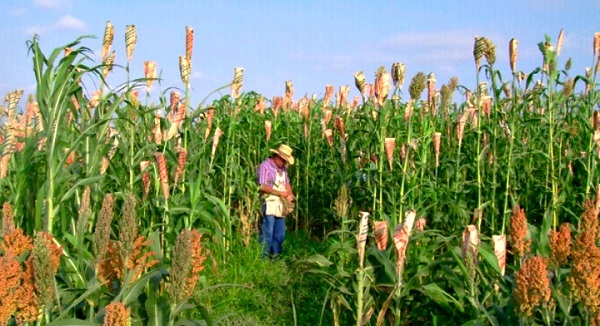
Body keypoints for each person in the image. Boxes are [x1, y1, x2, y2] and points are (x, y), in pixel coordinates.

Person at [257, 144, 295, 258]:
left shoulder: (282, 169)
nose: (284, 163)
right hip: (269, 202)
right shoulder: (265, 166)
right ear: (277, 156)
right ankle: (263, 257)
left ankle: (275, 256)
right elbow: (262, 186)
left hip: (280, 204)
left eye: (285, 161)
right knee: (268, 230)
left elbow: (287, 183)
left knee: (280, 233)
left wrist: (290, 194)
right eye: (283, 160)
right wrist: (279, 193)